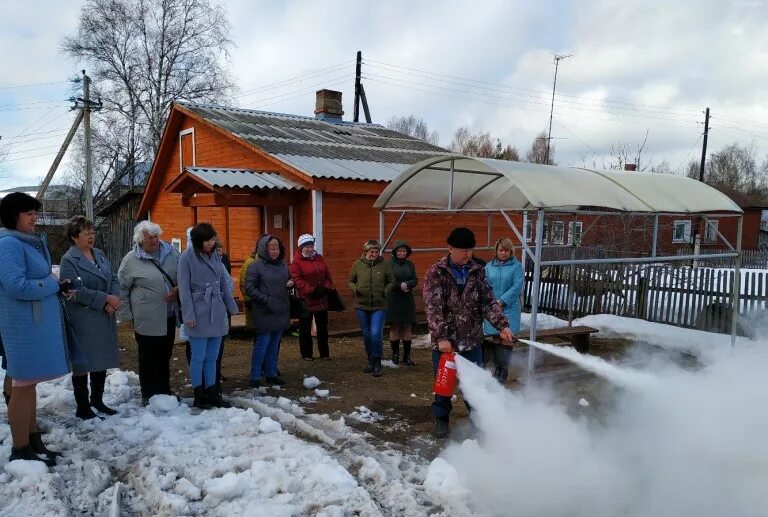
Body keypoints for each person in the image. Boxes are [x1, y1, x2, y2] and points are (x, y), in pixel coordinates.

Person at [423, 227, 514, 438]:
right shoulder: (436, 272)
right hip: (446, 342)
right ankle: (442, 417)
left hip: (471, 340)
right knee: (444, 384)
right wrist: (442, 338)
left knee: (475, 382)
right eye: (463, 250)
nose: (467, 255)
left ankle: (478, 419)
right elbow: (433, 308)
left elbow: (488, 301)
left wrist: (502, 325)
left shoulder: (477, 271)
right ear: (451, 248)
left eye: (470, 250)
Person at [0, 192, 70, 465]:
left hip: (32, 324)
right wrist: (52, 284)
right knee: (21, 384)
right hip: (21, 326)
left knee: (27, 385)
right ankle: (21, 449)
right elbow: (17, 286)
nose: (35, 217)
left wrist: (57, 288)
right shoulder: (8, 244)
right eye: (29, 213)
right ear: (13, 216)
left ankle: (32, 440)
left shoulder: (25, 242)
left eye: (35, 212)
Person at [59, 216, 121, 419]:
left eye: (93, 233)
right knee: (83, 362)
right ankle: (83, 406)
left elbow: (112, 277)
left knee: (100, 359)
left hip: (104, 315)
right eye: (87, 234)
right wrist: (105, 299)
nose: (91, 237)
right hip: (84, 317)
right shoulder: (69, 259)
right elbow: (74, 290)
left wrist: (114, 298)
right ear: (75, 237)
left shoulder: (100, 254)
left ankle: (98, 400)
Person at [117, 221, 181, 405]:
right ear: (140, 240)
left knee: (165, 354)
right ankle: (148, 394)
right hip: (145, 318)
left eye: (156, 236)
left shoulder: (171, 253)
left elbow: (183, 276)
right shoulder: (131, 260)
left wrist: (178, 289)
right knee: (148, 356)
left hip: (168, 314)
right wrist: (126, 316)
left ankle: (164, 392)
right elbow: (121, 289)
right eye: (149, 237)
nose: (154, 240)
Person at [177, 223, 238, 409]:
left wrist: (231, 307)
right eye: (208, 240)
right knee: (198, 356)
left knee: (213, 356)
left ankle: (213, 392)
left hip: (217, 311)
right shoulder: (186, 258)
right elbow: (184, 289)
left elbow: (222, 285)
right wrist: (188, 315)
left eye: (213, 239)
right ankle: (199, 394)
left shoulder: (215, 257)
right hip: (197, 311)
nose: (212, 243)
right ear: (198, 241)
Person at [245, 234, 291, 387]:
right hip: (264, 310)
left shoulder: (283, 265)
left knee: (274, 344)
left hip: (280, 309)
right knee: (262, 344)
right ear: (264, 249)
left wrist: (291, 283)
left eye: (277, 248)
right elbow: (249, 288)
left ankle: (271, 373)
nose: (275, 251)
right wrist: (266, 299)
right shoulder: (255, 266)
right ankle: (255, 375)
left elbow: (286, 282)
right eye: (272, 248)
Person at [348, 240, 395, 377]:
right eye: (372, 251)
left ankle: (377, 361)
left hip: (379, 305)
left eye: (376, 251)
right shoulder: (358, 264)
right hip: (362, 305)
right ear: (366, 252)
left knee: (376, 334)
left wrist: (385, 291)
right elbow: (350, 280)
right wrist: (355, 289)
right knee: (367, 334)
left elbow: (391, 282)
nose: (374, 254)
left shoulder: (385, 265)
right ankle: (370, 360)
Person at [483, 238, 524, 384]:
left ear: (511, 251)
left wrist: (502, 301)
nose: (503, 253)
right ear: (496, 251)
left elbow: (517, 286)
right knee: (495, 337)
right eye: (501, 250)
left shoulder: (516, 266)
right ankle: (494, 372)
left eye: (506, 250)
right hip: (492, 309)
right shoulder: (489, 267)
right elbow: (485, 286)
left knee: (506, 339)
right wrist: (492, 303)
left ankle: (502, 374)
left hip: (510, 309)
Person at [289, 234, 335, 360]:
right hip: (307, 299)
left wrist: (325, 287)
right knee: (305, 328)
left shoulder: (319, 258)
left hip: (321, 298)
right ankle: (306, 354)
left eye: (311, 246)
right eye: (307, 247)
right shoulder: (296, 262)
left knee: (322, 328)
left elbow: (327, 274)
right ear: (301, 248)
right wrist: (313, 291)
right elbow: (298, 281)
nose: (310, 249)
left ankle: (324, 353)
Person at [387, 240, 418, 366]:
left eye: (404, 251)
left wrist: (408, 284)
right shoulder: (389, 264)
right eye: (399, 251)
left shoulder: (410, 264)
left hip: (407, 298)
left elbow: (415, 279)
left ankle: (407, 356)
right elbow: (388, 279)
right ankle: (395, 355)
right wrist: (400, 285)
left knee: (407, 327)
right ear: (395, 252)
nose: (402, 253)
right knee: (394, 327)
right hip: (393, 298)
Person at [239, 249, 257, 329]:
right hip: (252, 298)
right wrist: (247, 297)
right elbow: (244, 281)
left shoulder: (251, 261)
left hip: (251, 297)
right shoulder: (251, 263)